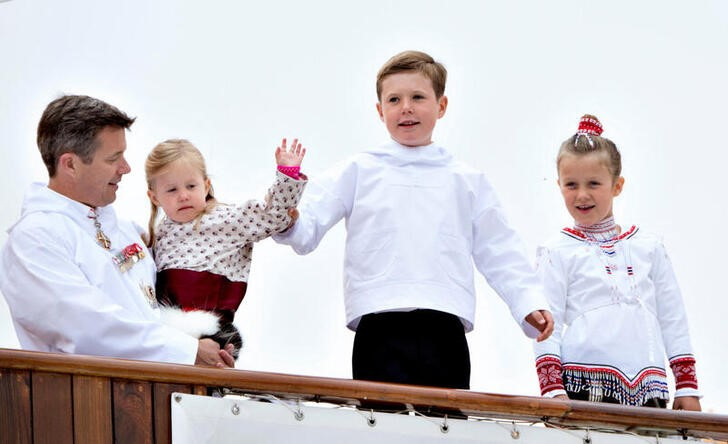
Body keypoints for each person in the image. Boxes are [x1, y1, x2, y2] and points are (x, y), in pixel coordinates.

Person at [274, 50, 553, 389]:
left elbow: (500, 247)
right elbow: (305, 228)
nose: (405, 107)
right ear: (380, 111)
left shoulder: (465, 179)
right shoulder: (359, 170)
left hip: (444, 323)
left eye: (417, 97)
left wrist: (527, 301)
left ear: (442, 105)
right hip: (378, 323)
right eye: (394, 99)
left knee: (444, 426)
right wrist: (287, 210)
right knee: (382, 426)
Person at [0, 94, 234, 368]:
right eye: (114, 158)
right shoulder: (35, 238)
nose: (126, 168)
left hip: (160, 393)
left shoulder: (126, 231)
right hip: (88, 404)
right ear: (70, 164)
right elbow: (85, 326)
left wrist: (207, 340)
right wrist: (186, 350)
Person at [533, 114, 701, 410]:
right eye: (571, 184)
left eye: (594, 183)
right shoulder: (556, 251)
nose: (582, 195)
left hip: (651, 387)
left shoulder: (648, 248)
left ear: (617, 185)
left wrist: (687, 386)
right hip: (583, 388)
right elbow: (547, 325)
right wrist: (553, 391)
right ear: (558, 185)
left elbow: (673, 318)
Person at [145, 138, 307, 359]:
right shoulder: (156, 235)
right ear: (154, 197)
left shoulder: (227, 220)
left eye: (191, 186)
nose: (183, 195)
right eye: (171, 189)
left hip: (211, 335)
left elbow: (272, 216)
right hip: (167, 341)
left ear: (206, 185)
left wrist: (287, 174)